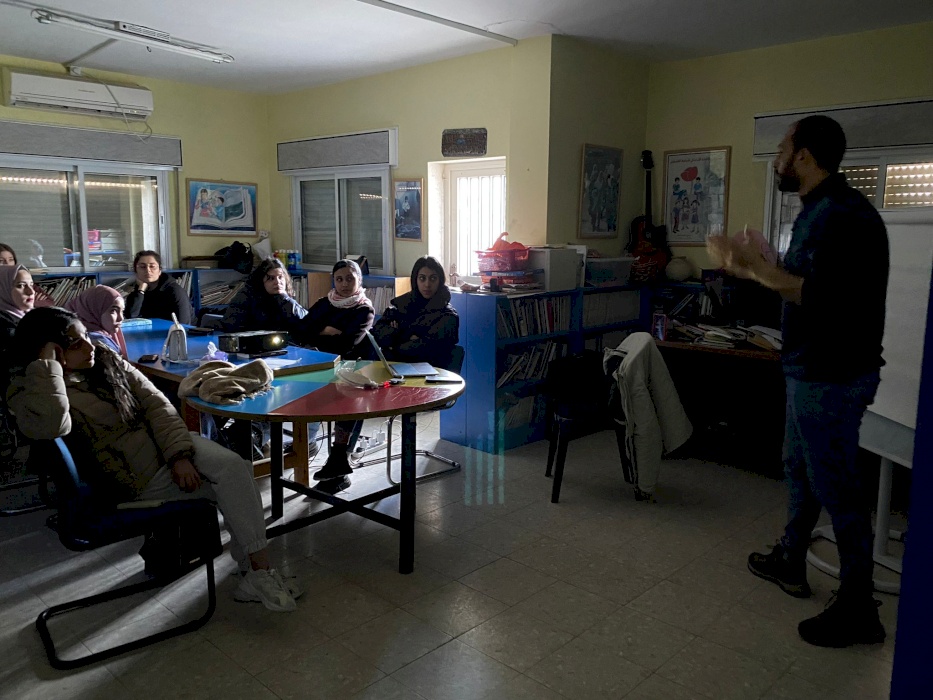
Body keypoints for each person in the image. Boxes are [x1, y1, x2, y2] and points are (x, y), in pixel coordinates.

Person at [707, 115, 889, 648]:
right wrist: (758, 264)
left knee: (837, 486)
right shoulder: (817, 211)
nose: (777, 160)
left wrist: (748, 266)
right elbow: (799, 282)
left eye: (782, 150)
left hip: (833, 375)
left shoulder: (841, 215)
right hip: (809, 368)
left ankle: (859, 606)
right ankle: (791, 558)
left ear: (804, 156)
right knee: (799, 469)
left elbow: (817, 295)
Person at [7, 307, 300, 612]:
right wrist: (47, 368)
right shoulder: (28, 390)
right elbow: (53, 425)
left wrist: (178, 455)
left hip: (165, 447)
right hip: (133, 476)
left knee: (236, 468)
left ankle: (256, 572)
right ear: (50, 351)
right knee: (233, 486)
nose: (90, 346)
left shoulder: (106, 360)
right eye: (76, 343)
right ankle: (256, 571)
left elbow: (156, 404)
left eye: (87, 337)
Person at [295, 259, 374, 492]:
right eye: (339, 279)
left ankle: (339, 457)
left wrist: (319, 333)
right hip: (319, 367)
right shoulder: (324, 303)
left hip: (352, 370)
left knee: (348, 395)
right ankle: (311, 450)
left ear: (359, 280)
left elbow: (347, 344)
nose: (344, 284)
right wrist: (326, 332)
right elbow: (300, 332)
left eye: (350, 278)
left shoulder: (363, 309)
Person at [371, 256, 459, 370]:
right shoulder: (401, 305)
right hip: (394, 370)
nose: (427, 284)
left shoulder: (448, 316)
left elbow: (425, 350)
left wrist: (393, 344)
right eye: (422, 278)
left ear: (440, 281)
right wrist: (407, 336)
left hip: (430, 374)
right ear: (415, 280)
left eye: (433, 278)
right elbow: (377, 333)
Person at [220, 257, 307, 333]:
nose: (277, 282)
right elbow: (232, 325)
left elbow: (305, 321)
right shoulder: (246, 296)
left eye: (280, 277)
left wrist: (285, 298)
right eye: (271, 278)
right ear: (261, 281)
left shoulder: (285, 298)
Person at [125, 250, 194, 325]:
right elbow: (131, 319)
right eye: (142, 267)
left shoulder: (175, 291)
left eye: (152, 266)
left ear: (159, 270)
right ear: (136, 271)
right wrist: (141, 291)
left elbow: (184, 324)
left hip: (174, 331)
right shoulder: (137, 292)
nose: (148, 270)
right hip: (149, 331)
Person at [65, 285, 128, 358]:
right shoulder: (98, 342)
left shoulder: (74, 335)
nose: (121, 318)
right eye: (113, 311)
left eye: (122, 311)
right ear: (93, 311)